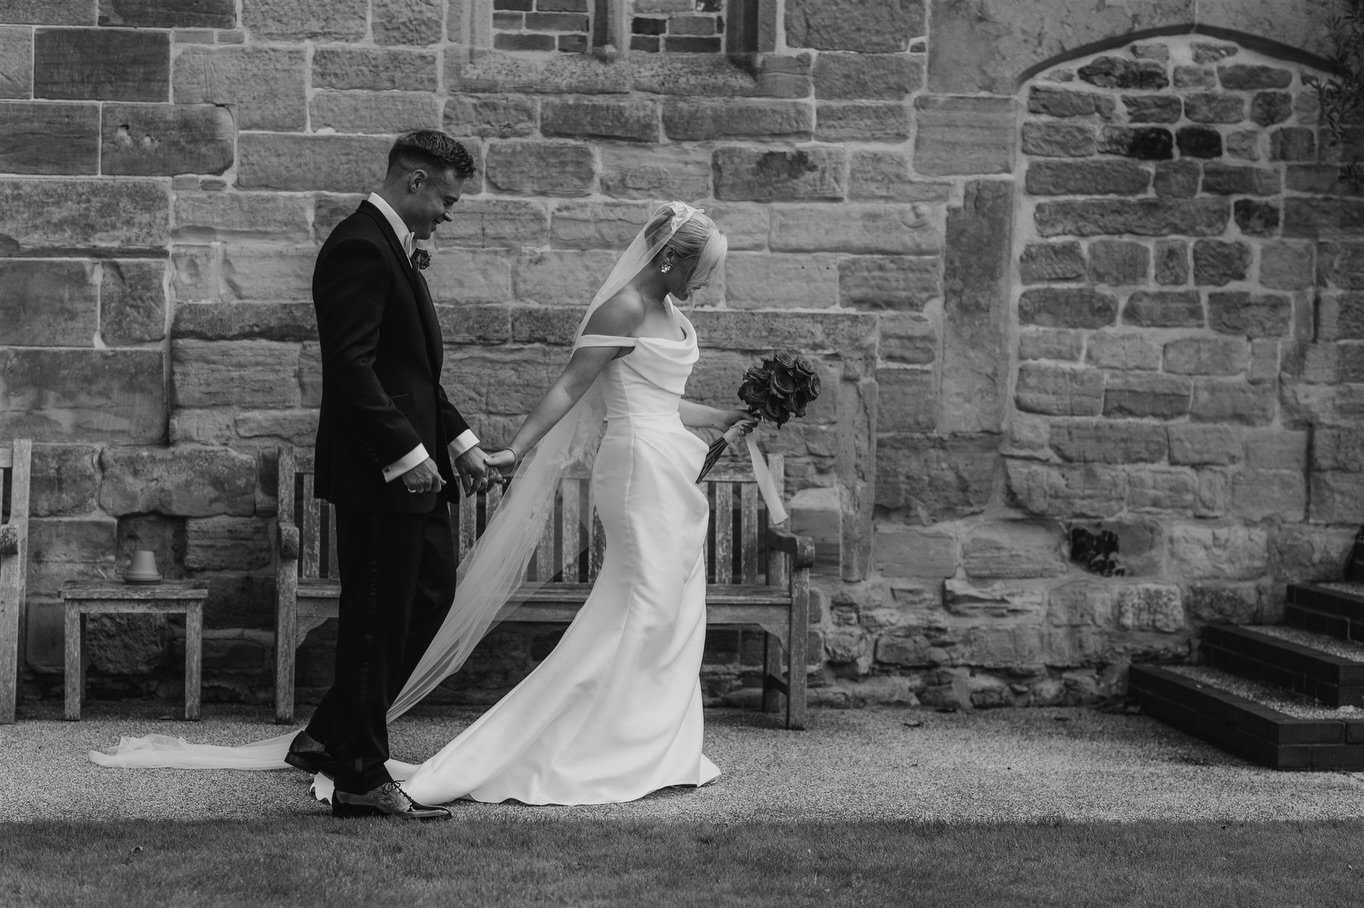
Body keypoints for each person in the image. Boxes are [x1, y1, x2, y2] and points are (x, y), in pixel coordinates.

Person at [318, 200, 753, 806]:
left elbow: (661, 398)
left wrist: (723, 416)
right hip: (637, 471)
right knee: (645, 602)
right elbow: (573, 385)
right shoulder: (624, 307)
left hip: (671, 464)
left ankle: (646, 744)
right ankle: (578, 747)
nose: (703, 283)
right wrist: (516, 450)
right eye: (700, 270)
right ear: (671, 257)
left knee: (672, 606)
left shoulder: (669, 312)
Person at [287, 130, 497, 821]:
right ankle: (359, 776)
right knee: (377, 619)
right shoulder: (358, 246)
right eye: (447, 200)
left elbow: (412, 374)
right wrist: (407, 455)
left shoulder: (391, 246)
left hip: (414, 468)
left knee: (430, 595)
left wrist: (459, 442)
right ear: (414, 181)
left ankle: (328, 733)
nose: (448, 215)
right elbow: (351, 368)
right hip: (380, 473)